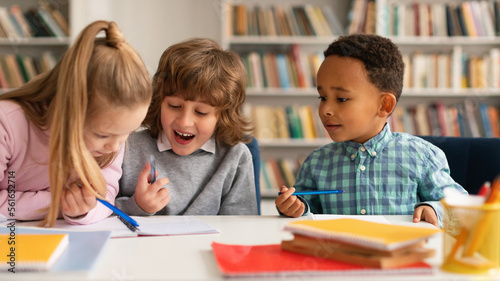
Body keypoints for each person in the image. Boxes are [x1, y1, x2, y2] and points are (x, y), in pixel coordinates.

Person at [275, 34, 467, 227]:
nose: (325, 110)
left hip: (400, 256)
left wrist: (434, 209)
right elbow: (303, 208)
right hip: (338, 255)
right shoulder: (316, 163)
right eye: (322, 97)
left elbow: (461, 207)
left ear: (384, 105)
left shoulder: (422, 156)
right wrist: (294, 206)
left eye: (341, 99)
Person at [0, 21, 152, 227]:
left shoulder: (113, 132)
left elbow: (105, 196)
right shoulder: (7, 124)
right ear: (67, 109)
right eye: (102, 135)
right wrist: (58, 203)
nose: (116, 147)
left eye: (128, 133)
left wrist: (80, 212)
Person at [116, 38, 258, 215]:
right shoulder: (125, 147)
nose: (184, 122)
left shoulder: (235, 157)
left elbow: (241, 229)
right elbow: (99, 214)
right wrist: (137, 206)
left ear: (222, 115)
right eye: (174, 106)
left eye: (201, 112)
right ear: (159, 101)